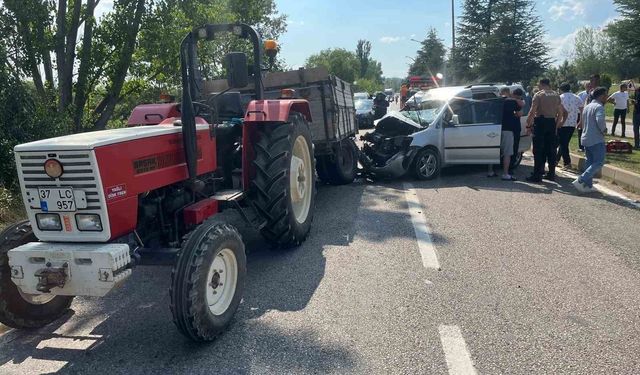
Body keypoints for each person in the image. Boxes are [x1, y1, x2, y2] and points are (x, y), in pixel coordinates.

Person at [525, 78, 568, 183]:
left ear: (541, 84)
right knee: (551, 150)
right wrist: (557, 125)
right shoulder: (555, 95)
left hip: (540, 122)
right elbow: (561, 113)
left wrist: (528, 125)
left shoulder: (539, 95)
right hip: (551, 123)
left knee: (538, 150)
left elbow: (532, 111)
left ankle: (537, 174)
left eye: (539, 85)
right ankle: (551, 174)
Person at [573, 87, 608, 193]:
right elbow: (600, 120)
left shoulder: (587, 106)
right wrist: (604, 130)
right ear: (601, 96)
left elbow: (582, 122)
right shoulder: (599, 107)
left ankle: (588, 185)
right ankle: (581, 179)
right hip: (596, 138)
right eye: (606, 95)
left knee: (590, 161)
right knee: (599, 162)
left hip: (586, 137)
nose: (607, 97)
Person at [488, 87, 521, 181]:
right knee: (507, 153)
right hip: (508, 129)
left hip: (494, 129)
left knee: (493, 150)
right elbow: (519, 113)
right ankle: (505, 174)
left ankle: (490, 171)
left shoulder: (495, 101)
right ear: (509, 93)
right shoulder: (511, 102)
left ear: (500, 92)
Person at [557, 83, 583, 170]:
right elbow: (582, 109)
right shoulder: (576, 97)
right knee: (564, 142)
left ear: (561, 89)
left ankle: (567, 163)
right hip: (572, 123)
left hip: (562, 123)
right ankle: (556, 160)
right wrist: (580, 120)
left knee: (563, 143)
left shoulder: (560, 98)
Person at [577, 82, 591, 151]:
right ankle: (581, 146)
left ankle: (588, 145)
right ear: (585, 87)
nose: (589, 87)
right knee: (581, 130)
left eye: (590, 85)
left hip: (590, 115)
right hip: (581, 114)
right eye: (587, 86)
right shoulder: (581, 94)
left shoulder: (594, 94)